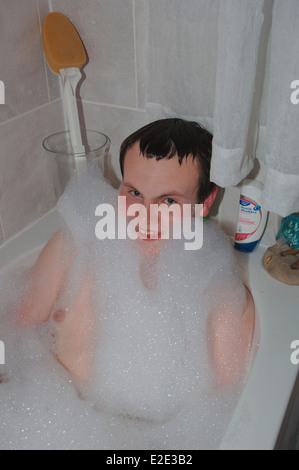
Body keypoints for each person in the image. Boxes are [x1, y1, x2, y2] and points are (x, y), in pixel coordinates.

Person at [16, 118, 255, 388]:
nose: (145, 215)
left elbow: (221, 408)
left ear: (205, 202)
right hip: (46, 404)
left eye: (168, 200)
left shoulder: (221, 295)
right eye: (135, 192)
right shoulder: (73, 245)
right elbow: (18, 335)